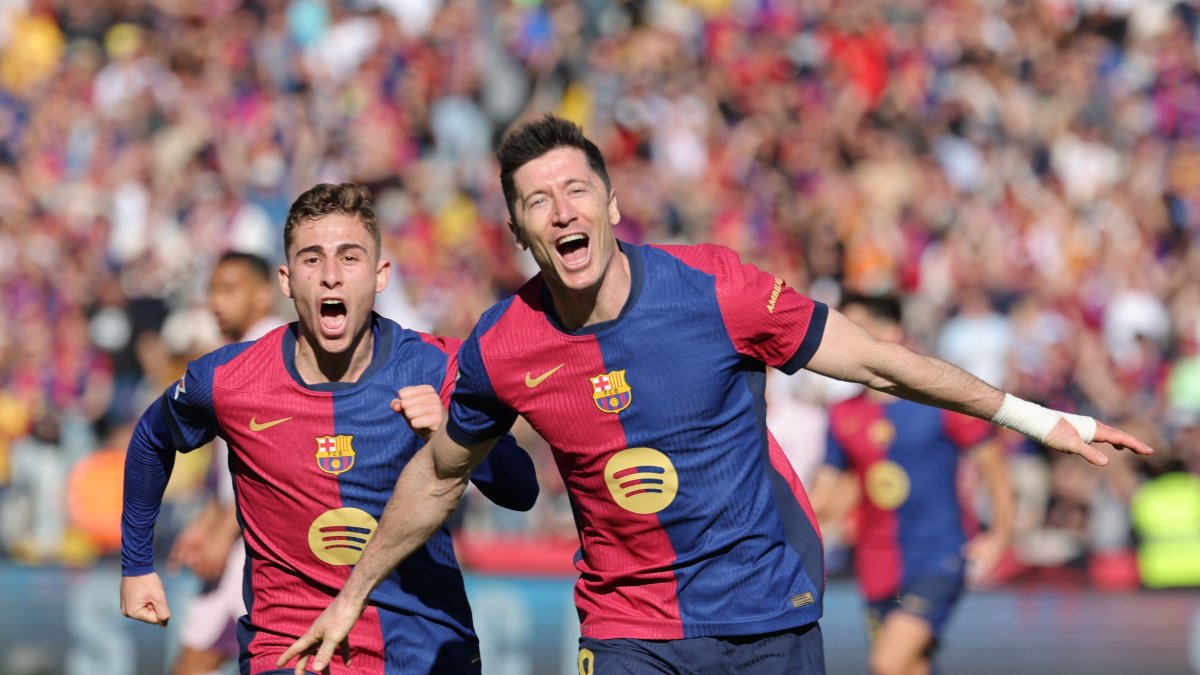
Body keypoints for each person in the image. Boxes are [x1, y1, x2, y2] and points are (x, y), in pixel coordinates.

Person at [280, 115, 1153, 674]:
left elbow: (880, 363)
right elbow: (440, 475)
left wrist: (1039, 417)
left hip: (764, 615)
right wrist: (351, 594)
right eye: (537, 202)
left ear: (612, 204)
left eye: (576, 189)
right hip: (628, 628)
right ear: (517, 230)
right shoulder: (502, 343)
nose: (561, 210)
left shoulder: (718, 290)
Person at [119, 183, 539, 674]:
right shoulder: (230, 378)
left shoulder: (436, 366)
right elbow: (152, 437)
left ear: (381, 274)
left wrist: (454, 437)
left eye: (350, 257)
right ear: (286, 279)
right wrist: (137, 565)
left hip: (420, 648)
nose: (331, 276)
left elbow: (521, 488)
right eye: (312, 259)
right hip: (289, 648)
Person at [808, 293, 1015, 675]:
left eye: (857, 328)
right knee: (910, 666)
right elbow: (828, 491)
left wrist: (1000, 536)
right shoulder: (843, 413)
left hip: (937, 554)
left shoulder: (938, 401)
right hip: (876, 561)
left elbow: (995, 468)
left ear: (892, 332)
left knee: (888, 662)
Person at [169, 252, 284, 675]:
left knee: (196, 662)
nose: (216, 301)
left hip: (257, 544)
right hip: (242, 535)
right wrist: (208, 521)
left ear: (263, 294)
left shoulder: (269, 351)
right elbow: (233, 459)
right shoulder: (239, 353)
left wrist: (224, 530)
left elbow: (270, 456)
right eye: (213, 290)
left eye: (230, 289)